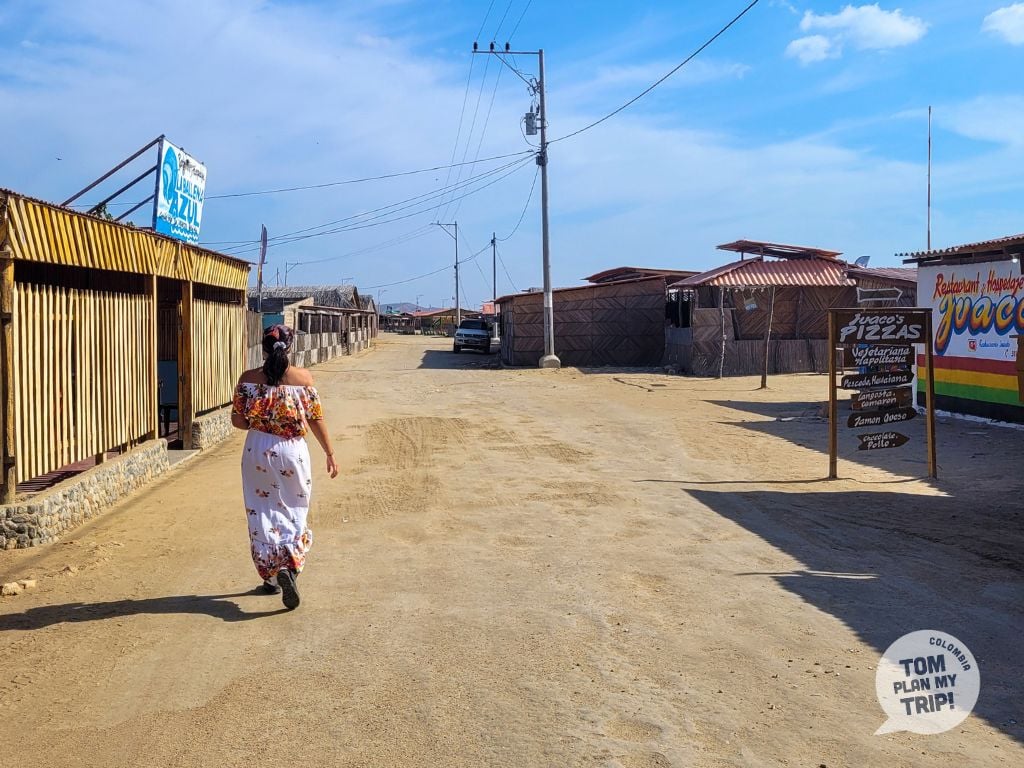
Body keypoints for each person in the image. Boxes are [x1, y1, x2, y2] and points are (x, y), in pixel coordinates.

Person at [231, 324, 338, 609]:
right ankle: (288, 568)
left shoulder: (248, 379)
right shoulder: (303, 379)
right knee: (294, 509)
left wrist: (261, 418)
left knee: (261, 509)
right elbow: (316, 419)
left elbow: (238, 422)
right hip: (293, 452)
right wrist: (329, 452)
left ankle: (270, 577)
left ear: (263, 347)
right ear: (290, 347)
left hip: (257, 449)